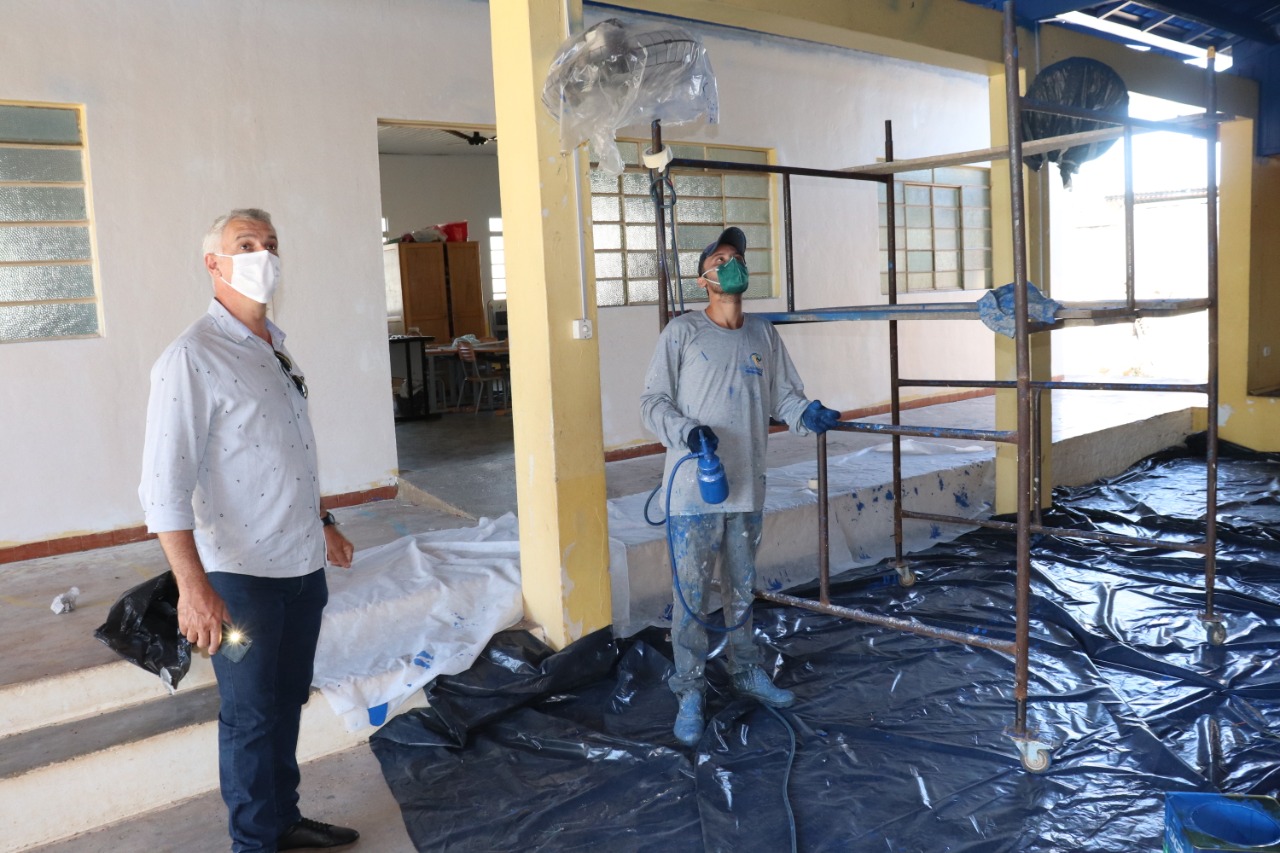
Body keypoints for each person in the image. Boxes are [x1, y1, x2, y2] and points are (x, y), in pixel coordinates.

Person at [139, 209, 360, 852]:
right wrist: (193, 588)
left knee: (286, 700)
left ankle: (281, 819)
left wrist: (323, 522)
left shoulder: (273, 349)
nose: (263, 255)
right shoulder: (191, 358)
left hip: (301, 570)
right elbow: (163, 489)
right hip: (239, 582)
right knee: (249, 714)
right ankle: (254, 842)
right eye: (245, 244)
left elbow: (286, 451)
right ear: (214, 263)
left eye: (270, 244)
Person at [640, 226, 842, 747]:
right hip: (694, 491)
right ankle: (689, 688)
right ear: (703, 279)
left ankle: (746, 670)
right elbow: (652, 402)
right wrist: (688, 432)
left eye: (738, 258)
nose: (732, 266)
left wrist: (807, 414)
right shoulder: (682, 332)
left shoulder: (763, 334)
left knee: (741, 588)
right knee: (691, 596)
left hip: (748, 486)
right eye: (721, 260)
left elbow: (785, 396)